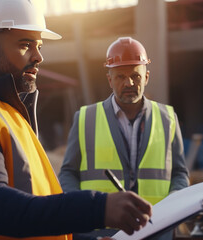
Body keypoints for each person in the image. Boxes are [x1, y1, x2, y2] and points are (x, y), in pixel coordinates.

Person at [0, 1, 152, 240]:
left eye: (38, 46)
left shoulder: (11, 115)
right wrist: (96, 207)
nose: (38, 57)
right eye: (26, 45)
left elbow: (35, 204)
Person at [58, 37, 189, 239]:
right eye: (120, 76)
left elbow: (179, 173)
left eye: (135, 76)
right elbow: (68, 174)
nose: (129, 83)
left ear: (146, 77)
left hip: (155, 231)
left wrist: (172, 207)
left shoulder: (168, 118)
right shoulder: (85, 119)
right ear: (110, 79)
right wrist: (82, 212)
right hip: (101, 233)